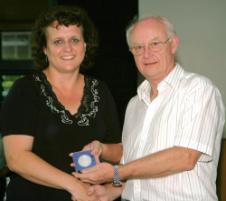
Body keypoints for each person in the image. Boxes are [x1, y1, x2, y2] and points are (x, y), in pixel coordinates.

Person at [74, 16, 225, 201]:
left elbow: (185, 157)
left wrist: (115, 172)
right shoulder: (134, 104)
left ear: (173, 44)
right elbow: (134, 161)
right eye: (138, 47)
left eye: (155, 44)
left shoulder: (198, 89)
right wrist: (111, 184)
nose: (146, 54)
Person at [0, 5, 121, 201]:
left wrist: (103, 148)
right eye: (58, 41)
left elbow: (118, 152)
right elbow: (16, 158)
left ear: (85, 45)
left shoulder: (100, 90)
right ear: (44, 49)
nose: (68, 48)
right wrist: (74, 186)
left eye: (75, 40)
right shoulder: (25, 90)